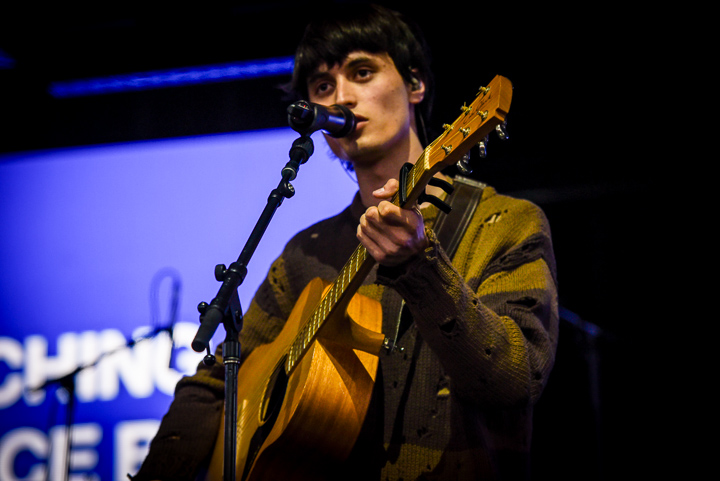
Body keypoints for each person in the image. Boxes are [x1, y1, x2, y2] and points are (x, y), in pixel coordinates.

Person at [134, 4, 558, 480]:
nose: (341, 98)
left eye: (362, 72)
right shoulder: (305, 254)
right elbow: (215, 386)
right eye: (322, 87)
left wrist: (420, 267)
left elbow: (515, 380)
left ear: (415, 85)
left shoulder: (503, 223)